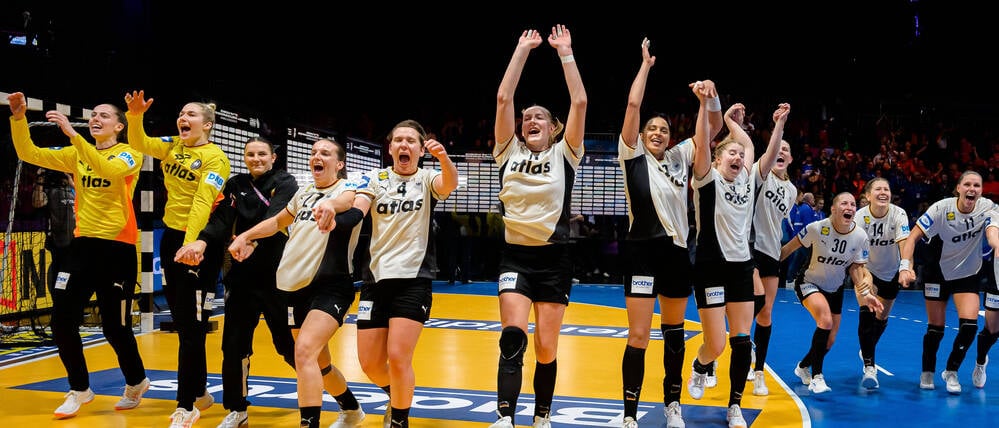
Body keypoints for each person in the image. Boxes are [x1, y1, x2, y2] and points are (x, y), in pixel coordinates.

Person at [7, 92, 150, 418]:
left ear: (119, 126)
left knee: (115, 328)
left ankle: (137, 381)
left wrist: (74, 135)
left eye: (104, 115)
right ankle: (80, 388)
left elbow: (108, 170)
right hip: (82, 247)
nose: (96, 119)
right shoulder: (76, 154)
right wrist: (18, 120)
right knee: (61, 321)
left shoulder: (130, 155)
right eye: (93, 114)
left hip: (119, 249)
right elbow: (28, 152)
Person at [615, 38, 722, 428]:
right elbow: (632, 107)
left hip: (677, 253)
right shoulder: (632, 155)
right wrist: (645, 66)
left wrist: (706, 98)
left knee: (674, 332)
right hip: (641, 251)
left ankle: (672, 405)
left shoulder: (679, 157)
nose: (658, 133)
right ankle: (629, 413)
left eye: (663, 129)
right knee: (639, 335)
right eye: (652, 129)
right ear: (642, 135)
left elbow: (712, 129)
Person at [228, 138, 367, 428]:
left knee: (302, 352)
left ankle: (308, 424)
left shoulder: (347, 189)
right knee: (318, 362)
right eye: (314, 152)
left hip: (331, 285)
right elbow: (278, 221)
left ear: (339, 164)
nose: (317, 156)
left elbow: (345, 203)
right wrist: (246, 236)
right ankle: (352, 409)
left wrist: (329, 204)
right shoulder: (303, 192)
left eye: (325, 153)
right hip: (295, 287)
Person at [488, 24, 586, 428]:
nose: (530, 120)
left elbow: (579, 101)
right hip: (516, 256)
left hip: (555, 259)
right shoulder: (506, 150)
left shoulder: (566, 152)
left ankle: (542, 415)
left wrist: (565, 52)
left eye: (539, 117)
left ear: (553, 127)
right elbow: (503, 97)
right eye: (526, 117)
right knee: (513, 338)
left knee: (546, 347)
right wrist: (521, 50)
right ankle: (505, 416)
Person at [173, 136, 299, 427]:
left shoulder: (286, 182)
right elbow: (220, 219)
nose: (256, 159)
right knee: (233, 346)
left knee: (288, 346)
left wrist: (250, 240)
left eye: (262, 154)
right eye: (250, 154)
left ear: (273, 157)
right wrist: (202, 243)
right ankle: (237, 409)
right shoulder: (236, 185)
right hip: (241, 278)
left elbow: (275, 217)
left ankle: (320, 384)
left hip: (278, 277)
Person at [125, 89, 231, 427]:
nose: (183, 119)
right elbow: (140, 142)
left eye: (191, 115)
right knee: (186, 323)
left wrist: (191, 245)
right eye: (181, 114)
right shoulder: (173, 144)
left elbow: (202, 202)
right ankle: (199, 392)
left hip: (198, 241)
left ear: (208, 124)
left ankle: (186, 405)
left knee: (191, 327)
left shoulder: (216, 158)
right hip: (172, 237)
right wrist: (135, 116)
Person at [351, 120, 458, 428]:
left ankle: (399, 418)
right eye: (398, 140)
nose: (404, 145)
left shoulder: (427, 178)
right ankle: (398, 393)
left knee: (398, 357)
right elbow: (359, 204)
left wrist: (444, 159)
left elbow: (449, 185)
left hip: (413, 280)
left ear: (421, 149)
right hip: (375, 280)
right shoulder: (375, 177)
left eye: (411, 141)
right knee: (369, 363)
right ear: (390, 148)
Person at [685, 100, 759, 428]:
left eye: (740, 157)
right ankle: (701, 366)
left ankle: (735, 406)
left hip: (741, 267)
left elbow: (749, 146)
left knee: (742, 341)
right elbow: (702, 142)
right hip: (710, 267)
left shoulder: (744, 181)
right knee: (715, 344)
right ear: (716, 160)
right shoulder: (705, 178)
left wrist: (732, 121)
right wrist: (708, 106)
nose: (739, 158)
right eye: (731, 154)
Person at [899, 170, 996, 394]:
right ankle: (927, 372)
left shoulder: (987, 207)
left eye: (977, 186)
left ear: (981, 191)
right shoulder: (941, 209)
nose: (972, 189)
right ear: (958, 188)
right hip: (937, 273)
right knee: (936, 329)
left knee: (970, 327)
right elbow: (913, 236)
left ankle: (951, 371)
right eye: (968, 184)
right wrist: (906, 266)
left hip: (967, 273)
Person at [781, 192, 883, 394]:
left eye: (853, 204)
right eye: (844, 203)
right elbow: (786, 250)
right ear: (834, 209)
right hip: (809, 282)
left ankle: (803, 367)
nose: (850, 207)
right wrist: (762, 271)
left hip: (834, 288)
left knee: (830, 339)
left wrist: (865, 292)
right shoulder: (816, 228)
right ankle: (817, 377)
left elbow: (856, 269)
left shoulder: (860, 236)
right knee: (825, 321)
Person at [746, 103, 793, 396]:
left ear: (790, 159)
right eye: (779, 148)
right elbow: (771, 150)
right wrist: (779, 125)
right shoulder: (758, 172)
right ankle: (718, 351)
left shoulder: (791, 191)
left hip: (771, 252)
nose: (782, 152)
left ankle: (759, 370)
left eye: (787, 150)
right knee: (753, 304)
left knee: (766, 314)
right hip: (748, 248)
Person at [854, 177, 911, 389]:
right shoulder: (860, 217)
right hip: (867, 269)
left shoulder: (898, 214)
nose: (883, 192)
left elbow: (904, 242)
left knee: (882, 317)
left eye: (886, 189)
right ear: (868, 196)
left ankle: (866, 348)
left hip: (891, 271)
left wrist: (906, 266)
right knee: (867, 313)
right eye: (878, 189)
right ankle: (870, 367)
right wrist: (863, 275)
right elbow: (856, 250)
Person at [32, 168, 76, 294]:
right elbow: (37, 203)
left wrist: (70, 179)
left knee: (75, 277)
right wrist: (40, 181)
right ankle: (59, 302)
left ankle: (73, 306)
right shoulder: (48, 190)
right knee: (60, 277)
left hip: (76, 242)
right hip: (58, 243)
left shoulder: (74, 189)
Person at [977, 210, 999, 389]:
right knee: (992, 330)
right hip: (997, 279)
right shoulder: (995, 213)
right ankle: (980, 362)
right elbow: (992, 238)